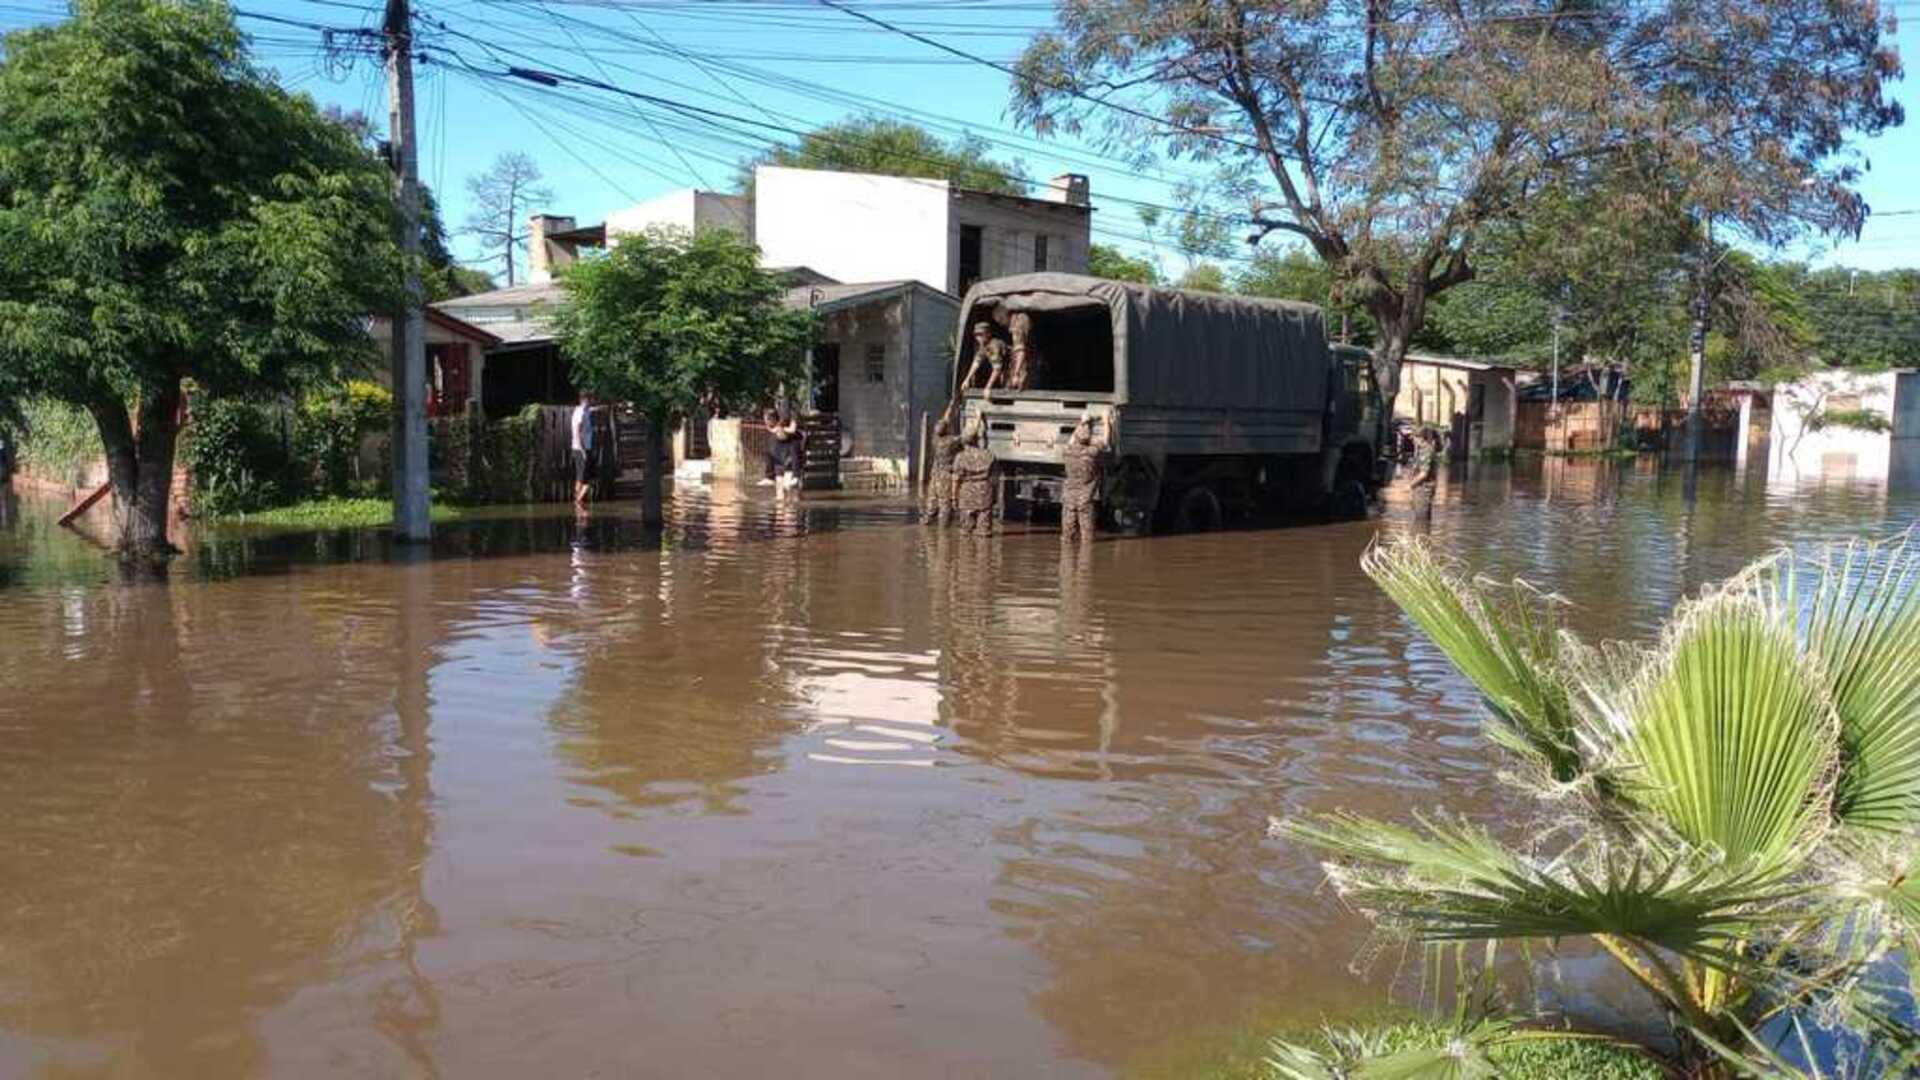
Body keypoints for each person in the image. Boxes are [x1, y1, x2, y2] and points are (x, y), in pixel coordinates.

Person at [1059, 415, 1110, 545]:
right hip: (1085, 499)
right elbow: (1106, 440)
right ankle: (1085, 560)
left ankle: (1066, 562)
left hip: (1069, 498)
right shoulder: (1091, 452)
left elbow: (1071, 440)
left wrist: (1082, 422)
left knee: (1066, 538)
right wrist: (1106, 421)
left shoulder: (1067, 451)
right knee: (1087, 539)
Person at [950, 420, 998, 535]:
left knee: (965, 533)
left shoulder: (960, 457)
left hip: (966, 495)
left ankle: (966, 552)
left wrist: (953, 497)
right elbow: (995, 479)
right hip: (985, 494)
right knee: (984, 532)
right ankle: (984, 552)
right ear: (977, 440)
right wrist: (994, 497)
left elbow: (956, 479)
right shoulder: (989, 455)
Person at [922, 416, 962, 526]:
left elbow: (944, 421)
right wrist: (977, 420)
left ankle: (927, 524)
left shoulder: (935, 440)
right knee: (945, 503)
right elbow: (968, 437)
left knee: (931, 501)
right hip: (945, 475)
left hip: (935, 475)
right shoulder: (951, 441)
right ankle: (943, 533)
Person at [959, 321, 1009, 390]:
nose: (978, 337)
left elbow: (997, 368)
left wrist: (988, 387)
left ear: (988, 334)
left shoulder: (994, 345)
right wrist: (967, 380)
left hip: (1011, 373)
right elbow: (976, 363)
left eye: (980, 334)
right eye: (976, 335)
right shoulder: (984, 345)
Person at [1409, 426, 1441, 524]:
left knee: (1421, 522)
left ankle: (1422, 538)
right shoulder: (1423, 450)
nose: (1413, 441)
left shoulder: (1426, 451)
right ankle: (1423, 538)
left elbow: (1423, 474)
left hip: (1423, 489)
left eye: (1414, 438)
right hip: (1421, 489)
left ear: (1421, 438)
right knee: (1421, 520)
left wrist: (1410, 485)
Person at [570, 393, 595, 509]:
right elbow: (577, 431)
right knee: (582, 477)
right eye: (590, 399)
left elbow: (594, 409)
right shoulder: (580, 413)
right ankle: (578, 502)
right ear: (584, 400)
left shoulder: (586, 411)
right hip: (581, 448)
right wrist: (582, 449)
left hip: (586, 447)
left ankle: (578, 501)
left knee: (585, 476)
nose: (592, 401)